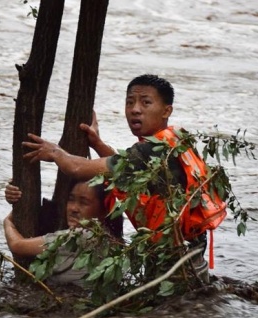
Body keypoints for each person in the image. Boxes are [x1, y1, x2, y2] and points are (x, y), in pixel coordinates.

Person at [22, 74, 209, 281]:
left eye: (146, 102)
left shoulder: (150, 150)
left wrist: (56, 152)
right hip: (193, 256)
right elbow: (126, 167)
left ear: (167, 110)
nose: (135, 109)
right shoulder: (177, 140)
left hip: (174, 267)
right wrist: (98, 145)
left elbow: (77, 169)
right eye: (130, 102)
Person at [3, 180, 123, 286]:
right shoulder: (109, 236)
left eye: (84, 202)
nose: (73, 208)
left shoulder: (82, 237)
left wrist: (8, 220)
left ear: (104, 211)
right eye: (71, 200)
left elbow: (17, 245)